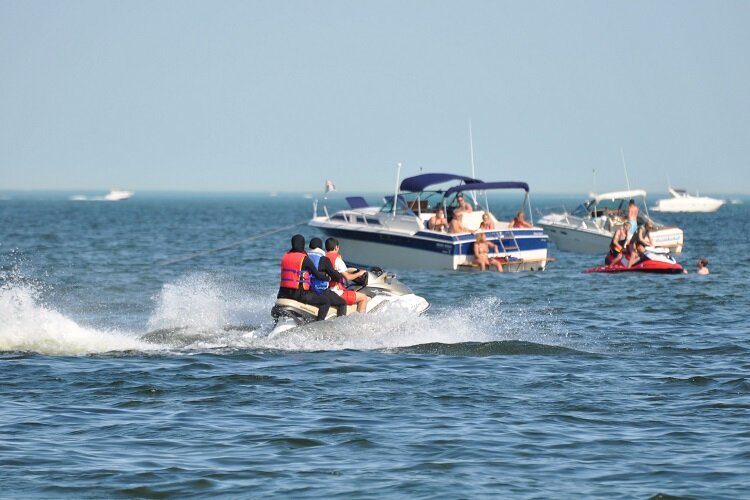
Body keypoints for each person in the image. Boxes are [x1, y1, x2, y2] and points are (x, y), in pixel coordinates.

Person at [278, 234, 332, 321]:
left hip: (283, 293)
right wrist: (328, 278)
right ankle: (319, 324)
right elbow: (317, 275)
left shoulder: (285, 257)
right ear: (302, 244)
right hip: (299, 294)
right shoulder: (304, 258)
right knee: (326, 301)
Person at [324, 238, 370, 313]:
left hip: (325, 291)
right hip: (336, 292)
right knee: (363, 297)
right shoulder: (337, 260)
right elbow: (347, 277)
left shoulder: (323, 257)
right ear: (336, 247)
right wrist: (359, 273)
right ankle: (361, 321)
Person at [307, 237, 348, 317]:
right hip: (321, 290)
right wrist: (336, 273)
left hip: (307, 290)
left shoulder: (305, 257)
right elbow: (335, 277)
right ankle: (340, 324)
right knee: (342, 303)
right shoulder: (323, 259)